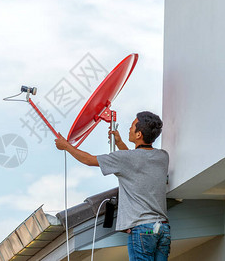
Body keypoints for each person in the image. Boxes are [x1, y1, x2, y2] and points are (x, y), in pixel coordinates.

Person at [55, 111, 171, 261]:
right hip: (161, 229)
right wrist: (120, 143)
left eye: (132, 126)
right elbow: (137, 163)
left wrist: (66, 146)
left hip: (143, 230)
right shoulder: (162, 156)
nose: (129, 128)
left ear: (138, 134)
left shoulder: (126, 159)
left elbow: (89, 160)